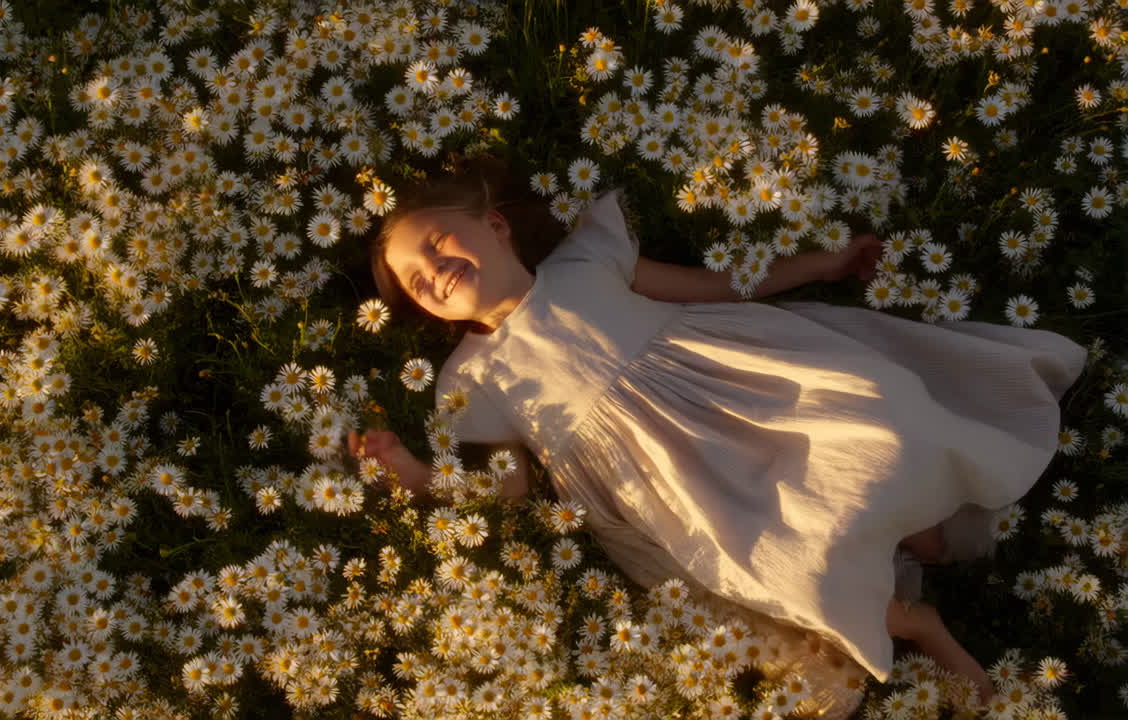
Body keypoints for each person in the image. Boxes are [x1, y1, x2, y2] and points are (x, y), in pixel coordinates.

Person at [348, 154, 1088, 716]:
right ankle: (913, 624)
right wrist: (411, 473)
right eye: (418, 279)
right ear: (428, 312)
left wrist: (824, 265)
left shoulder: (585, 261)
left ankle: (917, 516)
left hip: (746, 390)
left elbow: (722, 284)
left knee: (876, 414)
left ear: (497, 226)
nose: (437, 270)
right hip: (669, 489)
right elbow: (507, 490)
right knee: (782, 571)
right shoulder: (468, 380)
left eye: (441, 242)